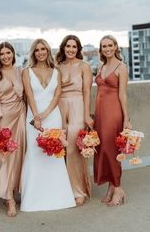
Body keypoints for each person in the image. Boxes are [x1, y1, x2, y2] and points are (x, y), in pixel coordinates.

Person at [20, 39, 76, 211]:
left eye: (43, 49)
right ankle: (32, 199)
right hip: (33, 117)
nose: (40, 52)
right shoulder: (26, 71)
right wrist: (37, 116)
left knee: (55, 155)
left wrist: (45, 114)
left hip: (53, 117)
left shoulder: (56, 71)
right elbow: (29, 96)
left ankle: (59, 197)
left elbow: (57, 95)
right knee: (34, 153)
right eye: (37, 50)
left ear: (48, 51)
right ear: (33, 53)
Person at [0, 42, 26, 217]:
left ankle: (16, 190)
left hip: (21, 116)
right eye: (2, 54)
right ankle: (9, 198)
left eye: (8, 52)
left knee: (20, 156)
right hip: (4, 119)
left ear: (13, 53)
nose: (5, 56)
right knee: (5, 157)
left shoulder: (21, 71)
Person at [94, 35, 131, 206]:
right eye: (104, 46)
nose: (107, 48)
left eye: (110, 45)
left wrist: (126, 119)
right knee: (103, 149)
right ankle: (111, 186)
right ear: (100, 49)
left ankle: (119, 189)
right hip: (100, 114)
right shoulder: (101, 66)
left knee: (111, 151)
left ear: (116, 47)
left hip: (113, 113)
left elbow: (123, 95)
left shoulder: (121, 67)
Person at [56, 35, 93, 206]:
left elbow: (87, 92)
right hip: (60, 107)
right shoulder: (57, 67)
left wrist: (86, 116)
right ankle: (63, 188)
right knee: (60, 148)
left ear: (78, 49)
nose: (71, 49)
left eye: (74, 47)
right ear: (63, 48)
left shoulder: (85, 66)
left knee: (73, 149)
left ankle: (78, 190)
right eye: (68, 46)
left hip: (78, 105)